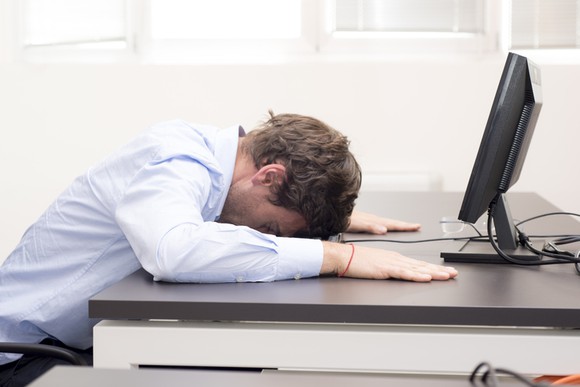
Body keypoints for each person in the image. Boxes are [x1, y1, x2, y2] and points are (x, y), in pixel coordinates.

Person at [0, 111, 457, 385]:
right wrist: (336, 257)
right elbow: (172, 250)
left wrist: (329, 225)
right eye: (272, 227)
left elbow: (214, 217)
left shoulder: (221, 166)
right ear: (270, 176)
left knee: (238, 367)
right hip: (24, 360)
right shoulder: (176, 159)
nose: (271, 236)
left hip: (73, 345)